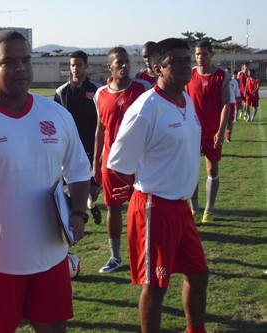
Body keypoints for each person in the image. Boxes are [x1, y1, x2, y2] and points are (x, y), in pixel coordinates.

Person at [0, 30, 91, 333]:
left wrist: (78, 212)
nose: (20, 68)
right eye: (9, 61)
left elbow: (78, 169)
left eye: (25, 60)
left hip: (51, 258)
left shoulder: (55, 114)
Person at [107, 38, 209, 333]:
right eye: (175, 61)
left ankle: (195, 329)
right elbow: (117, 162)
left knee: (199, 274)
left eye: (185, 59)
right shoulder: (146, 108)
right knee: (156, 286)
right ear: (156, 69)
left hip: (181, 207)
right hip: (155, 207)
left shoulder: (184, 98)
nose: (185, 65)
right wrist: (139, 186)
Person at [93, 46, 151, 273]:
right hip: (111, 162)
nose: (125, 65)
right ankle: (115, 257)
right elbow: (100, 129)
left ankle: (146, 253)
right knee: (112, 207)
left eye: (127, 61)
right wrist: (97, 161)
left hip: (140, 161)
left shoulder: (143, 88)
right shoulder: (100, 94)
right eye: (120, 62)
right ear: (110, 67)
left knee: (144, 207)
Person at [54, 50, 103, 225]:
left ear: (86, 67)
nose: (75, 68)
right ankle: (74, 220)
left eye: (79, 65)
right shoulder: (61, 92)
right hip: (71, 147)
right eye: (72, 65)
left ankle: (91, 202)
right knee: (71, 184)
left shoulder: (97, 90)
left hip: (93, 144)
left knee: (95, 186)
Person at [186, 39, 230, 223]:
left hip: (212, 131)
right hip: (191, 131)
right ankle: (194, 208)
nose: (200, 57)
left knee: (212, 168)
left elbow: (225, 104)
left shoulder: (222, 76)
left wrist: (221, 131)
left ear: (211, 54)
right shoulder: (189, 75)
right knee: (191, 169)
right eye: (197, 54)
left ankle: (209, 210)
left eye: (203, 53)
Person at [226, 70, 241, 141]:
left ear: (231, 74)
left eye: (228, 72)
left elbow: (237, 93)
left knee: (230, 121)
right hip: (222, 104)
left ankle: (228, 137)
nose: (227, 73)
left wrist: (239, 103)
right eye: (226, 72)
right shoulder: (221, 81)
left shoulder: (234, 82)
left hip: (231, 103)